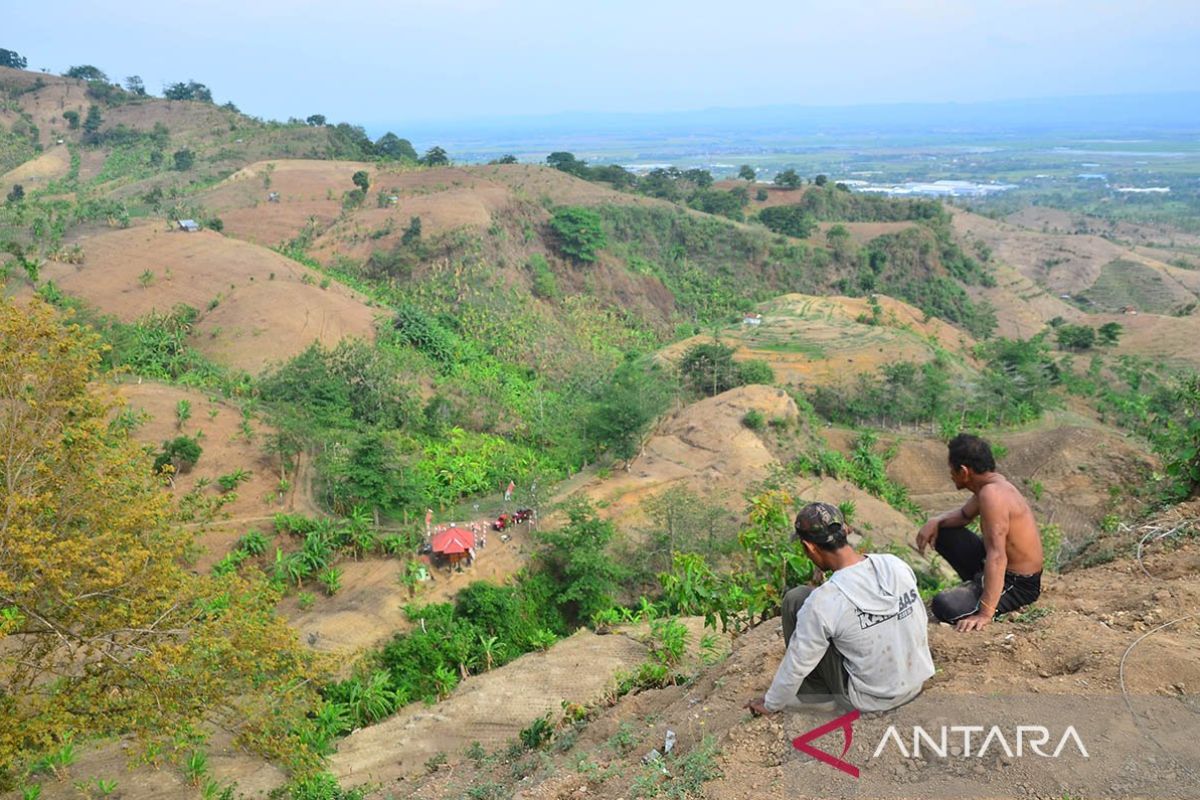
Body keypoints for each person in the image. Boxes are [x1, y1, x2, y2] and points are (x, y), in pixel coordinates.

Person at [746, 503, 934, 716]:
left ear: (809, 547)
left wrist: (771, 703)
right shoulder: (894, 565)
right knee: (811, 604)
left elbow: (798, 661)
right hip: (916, 682)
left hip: (870, 700)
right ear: (846, 530)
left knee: (795, 599)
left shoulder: (824, 600)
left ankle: (817, 696)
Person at [917, 433, 1044, 632]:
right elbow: (964, 515)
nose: (950, 474)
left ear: (964, 471)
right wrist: (935, 521)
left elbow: (997, 556)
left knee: (944, 605)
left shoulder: (992, 495)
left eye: (951, 469)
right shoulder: (990, 486)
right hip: (993, 567)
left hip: (1018, 583)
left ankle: (984, 596)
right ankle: (977, 586)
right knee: (944, 532)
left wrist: (985, 613)